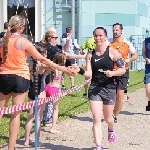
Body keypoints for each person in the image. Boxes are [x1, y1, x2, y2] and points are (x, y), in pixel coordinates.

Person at [0, 15, 76, 150]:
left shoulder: (3, 41)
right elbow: (43, 60)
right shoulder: (23, 41)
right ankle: (10, 148)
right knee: (15, 114)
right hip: (20, 78)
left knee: (1, 112)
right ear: (22, 27)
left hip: (4, 77)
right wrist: (63, 68)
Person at [72, 27, 126, 150]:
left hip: (109, 88)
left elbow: (123, 69)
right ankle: (99, 146)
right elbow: (89, 74)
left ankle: (111, 129)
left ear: (106, 37)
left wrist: (112, 73)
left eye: (100, 35)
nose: (98, 38)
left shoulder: (112, 52)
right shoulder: (90, 55)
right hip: (95, 88)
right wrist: (79, 70)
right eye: (96, 36)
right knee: (96, 118)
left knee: (108, 119)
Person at [41, 27, 85, 126]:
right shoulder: (51, 48)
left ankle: (42, 118)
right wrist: (82, 57)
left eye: (57, 37)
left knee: (44, 102)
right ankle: (48, 121)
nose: (57, 39)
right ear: (49, 38)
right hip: (52, 84)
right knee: (52, 106)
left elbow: (65, 50)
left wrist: (68, 41)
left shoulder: (51, 47)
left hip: (48, 79)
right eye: (55, 37)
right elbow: (65, 54)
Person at [109, 23, 138, 123]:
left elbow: (135, 55)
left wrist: (128, 60)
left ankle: (115, 115)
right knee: (111, 95)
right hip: (112, 72)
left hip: (123, 72)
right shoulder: (109, 42)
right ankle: (110, 111)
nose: (115, 32)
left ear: (121, 31)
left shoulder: (127, 43)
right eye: (113, 30)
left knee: (120, 96)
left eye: (117, 30)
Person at [24, 45, 49, 146]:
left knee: (30, 116)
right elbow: (51, 66)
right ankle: (37, 141)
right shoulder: (41, 65)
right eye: (45, 54)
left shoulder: (28, 64)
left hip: (31, 91)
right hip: (40, 92)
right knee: (38, 117)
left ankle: (26, 140)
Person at [45, 52, 66, 134]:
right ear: (62, 60)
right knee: (55, 109)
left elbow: (44, 75)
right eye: (64, 59)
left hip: (47, 87)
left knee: (45, 107)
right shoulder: (62, 68)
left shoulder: (52, 67)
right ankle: (53, 128)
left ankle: (46, 121)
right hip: (55, 89)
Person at [142, 37, 150, 111]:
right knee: (148, 90)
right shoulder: (146, 41)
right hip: (148, 67)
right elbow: (143, 53)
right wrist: (146, 59)